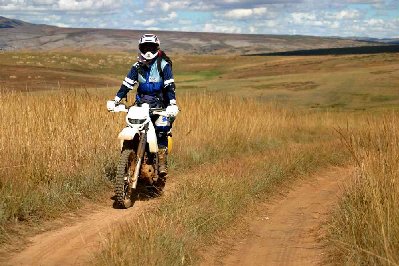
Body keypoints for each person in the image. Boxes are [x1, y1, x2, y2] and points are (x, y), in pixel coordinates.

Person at [111, 33, 178, 176]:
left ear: (156, 48)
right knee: (135, 126)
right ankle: (131, 158)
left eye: (151, 47)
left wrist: (172, 103)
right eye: (145, 47)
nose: (148, 51)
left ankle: (161, 162)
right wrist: (116, 100)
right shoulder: (137, 67)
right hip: (142, 105)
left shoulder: (163, 65)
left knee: (161, 129)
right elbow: (127, 84)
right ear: (140, 48)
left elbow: (169, 86)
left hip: (161, 105)